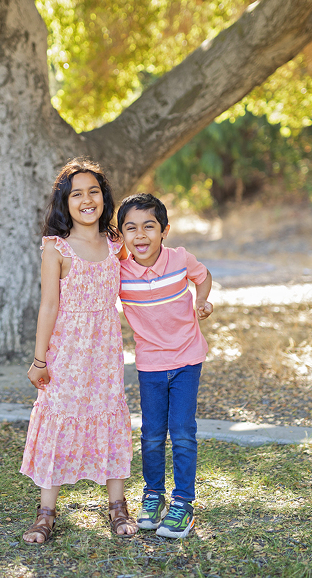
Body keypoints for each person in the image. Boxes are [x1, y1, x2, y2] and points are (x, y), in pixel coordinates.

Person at [20, 158, 137, 544]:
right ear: (65, 203)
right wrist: (40, 360)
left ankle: (117, 506)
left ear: (104, 197)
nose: (87, 200)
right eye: (77, 194)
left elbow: (141, 277)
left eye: (94, 191)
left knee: (108, 414)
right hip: (66, 352)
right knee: (60, 419)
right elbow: (49, 305)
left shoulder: (116, 244)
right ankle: (46, 512)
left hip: (104, 353)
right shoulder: (57, 248)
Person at [117, 193, 213, 539]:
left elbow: (204, 276)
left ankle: (184, 502)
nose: (140, 235)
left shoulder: (180, 259)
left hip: (187, 359)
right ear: (121, 235)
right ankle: (153, 496)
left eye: (148, 227)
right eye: (130, 228)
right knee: (153, 434)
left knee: (183, 432)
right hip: (150, 364)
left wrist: (202, 301)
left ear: (164, 231)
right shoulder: (120, 271)